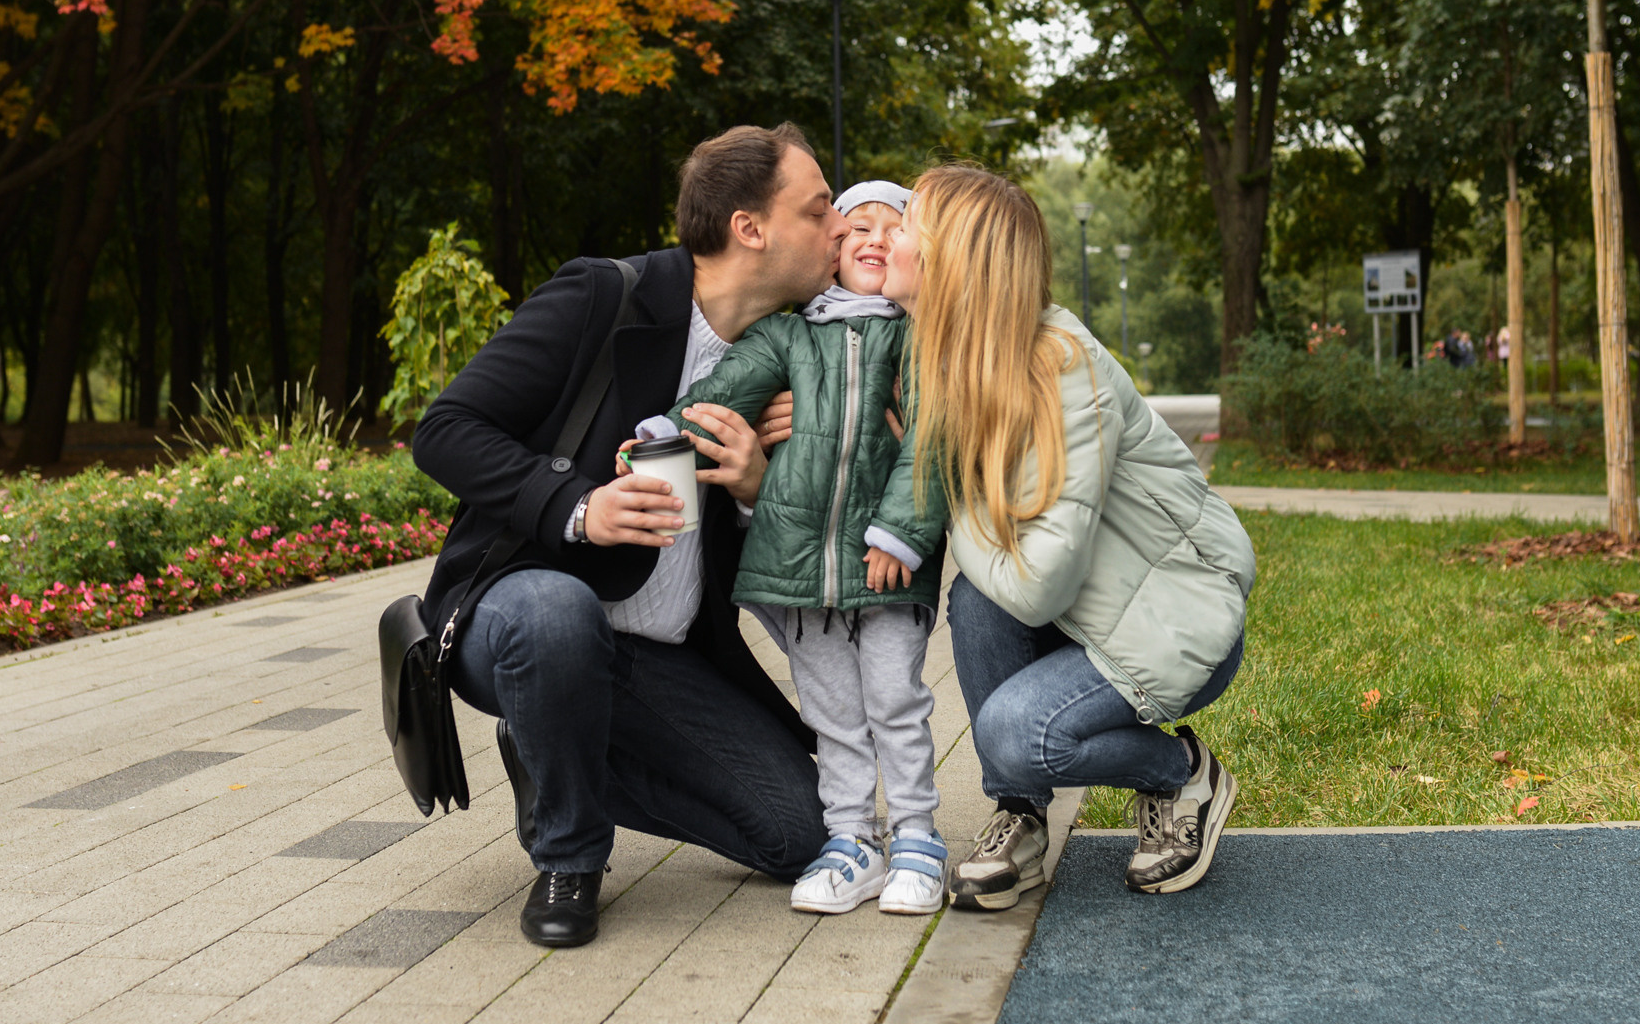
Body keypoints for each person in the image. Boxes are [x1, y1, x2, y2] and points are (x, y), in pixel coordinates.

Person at [410, 123, 847, 949]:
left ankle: (550, 748)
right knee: (555, 611)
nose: (841, 226)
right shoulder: (604, 298)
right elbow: (446, 428)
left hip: (657, 657)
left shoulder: (785, 358)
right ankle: (570, 855)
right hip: (518, 610)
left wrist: (757, 489)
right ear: (750, 228)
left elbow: (775, 566)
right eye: (820, 207)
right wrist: (579, 507)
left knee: (798, 834)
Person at [879, 166, 1254, 908]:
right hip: (1085, 620)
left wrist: (951, 503)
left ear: (952, 259)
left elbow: (1039, 582)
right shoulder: (946, 359)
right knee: (976, 599)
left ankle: (1183, 775)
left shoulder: (1060, 367)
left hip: (1175, 621)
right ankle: (1020, 816)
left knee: (1012, 734)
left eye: (905, 226)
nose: (887, 237)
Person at [659, 180, 951, 916]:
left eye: (894, 227)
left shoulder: (920, 341)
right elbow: (719, 398)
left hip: (884, 568)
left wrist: (902, 533)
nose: (875, 239)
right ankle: (852, 840)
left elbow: (932, 441)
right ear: (830, 253)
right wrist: (669, 436)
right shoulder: (786, 337)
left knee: (895, 701)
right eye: (857, 228)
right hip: (798, 574)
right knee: (834, 714)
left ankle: (917, 835)